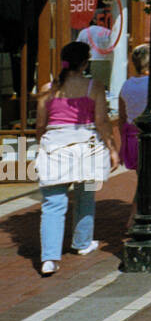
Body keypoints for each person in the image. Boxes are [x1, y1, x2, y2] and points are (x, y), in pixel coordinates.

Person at [35, 42, 116, 275]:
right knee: (86, 195)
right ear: (84, 63)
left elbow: (40, 124)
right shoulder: (95, 86)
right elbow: (101, 122)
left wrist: (43, 143)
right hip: (87, 150)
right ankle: (82, 242)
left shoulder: (47, 88)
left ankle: (49, 258)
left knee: (53, 204)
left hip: (55, 148)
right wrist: (111, 147)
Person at [116, 43, 151, 172]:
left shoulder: (126, 85)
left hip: (132, 135)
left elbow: (121, 117)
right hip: (150, 136)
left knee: (141, 175)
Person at [76, 6, 115, 95]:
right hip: (104, 62)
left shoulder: (84, 32)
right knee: (102, 88)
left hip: (89, 62)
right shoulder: (108, 32)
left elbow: (78, 48)